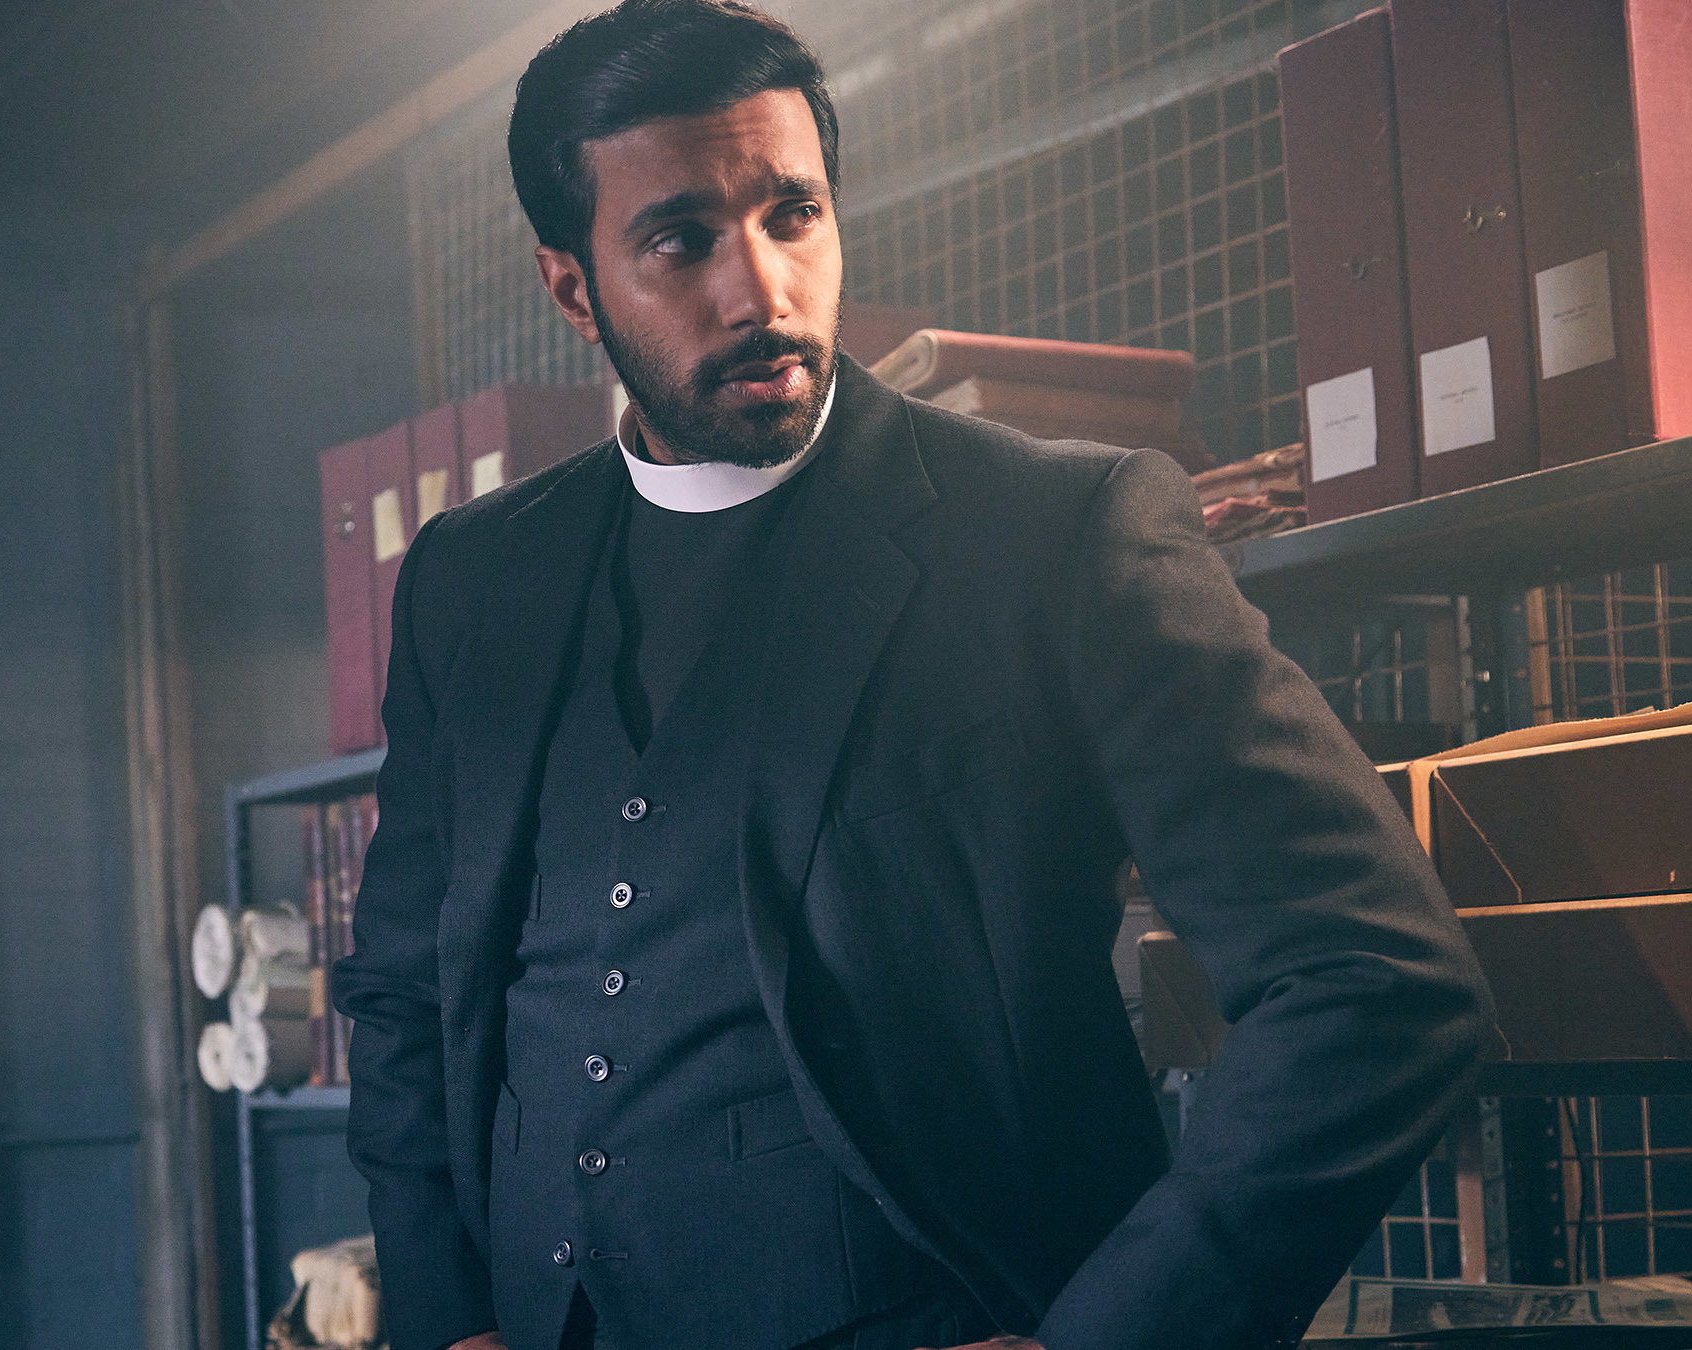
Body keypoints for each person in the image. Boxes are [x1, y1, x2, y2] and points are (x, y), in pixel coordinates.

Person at [331, 3, 1492, 1348]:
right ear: (572, 287)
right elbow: (405, 994)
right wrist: (444, 1313)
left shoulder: (1058, 535)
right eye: (680, 241)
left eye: (793, 215)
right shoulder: (475, 580)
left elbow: (1375, 979)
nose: (761, 292)